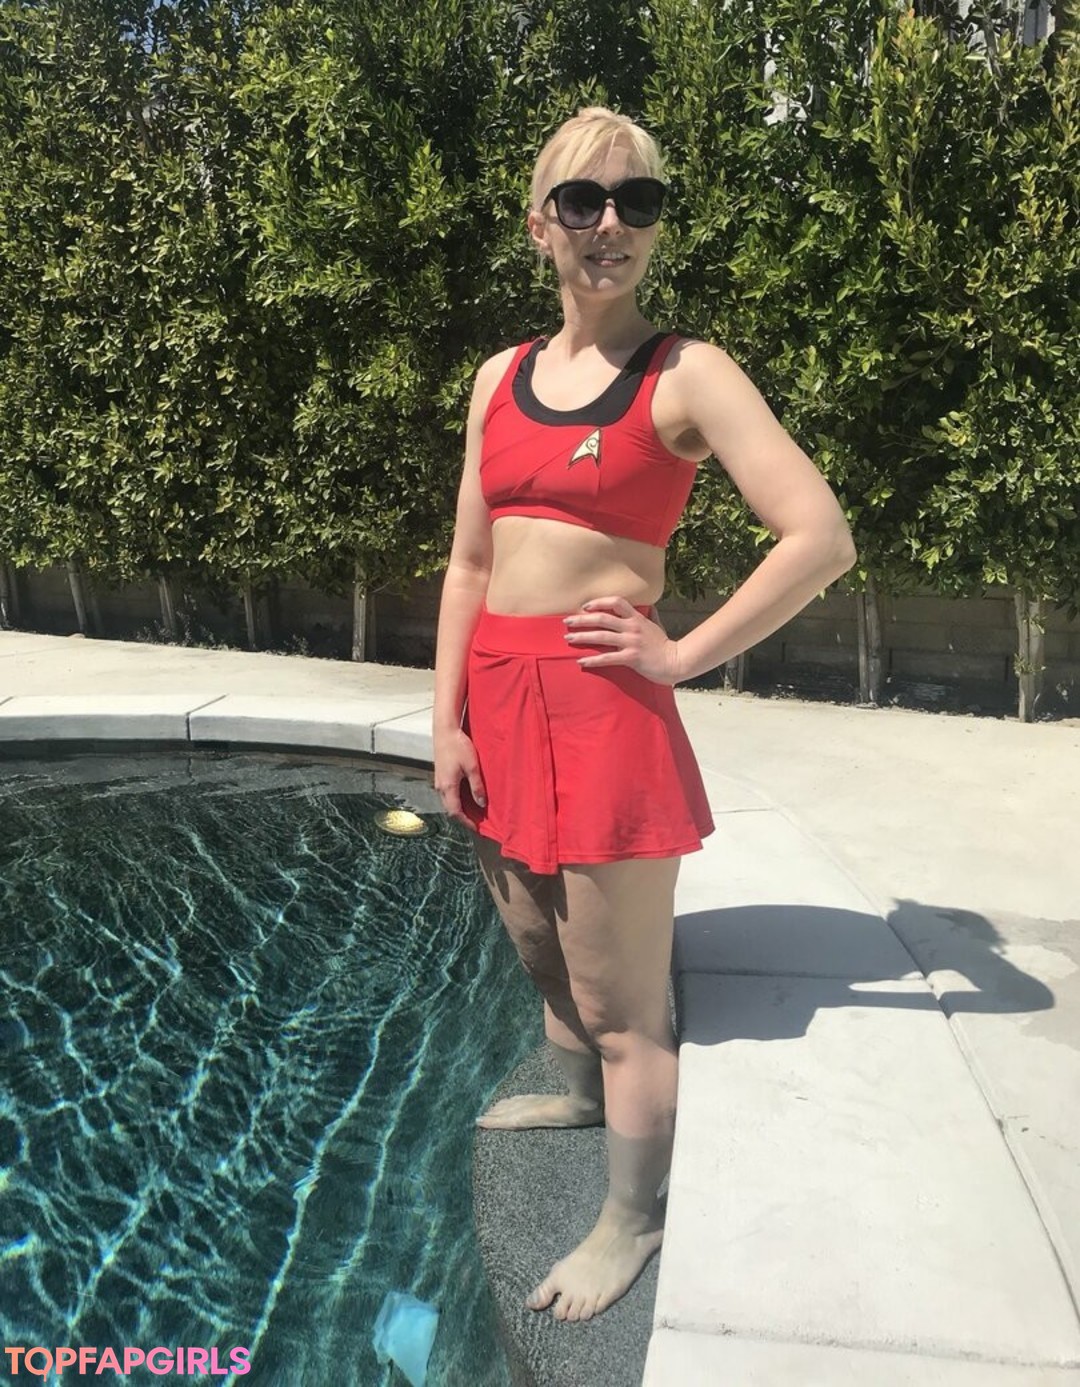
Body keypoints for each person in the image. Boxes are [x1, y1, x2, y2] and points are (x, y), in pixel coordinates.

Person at [432, 106, 856, 1324]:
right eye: (584, 200)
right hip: (498, 700)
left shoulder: (686, 373)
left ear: (657, 226)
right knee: (537, 944)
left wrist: (680, 655)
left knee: (625, 1006)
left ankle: (631, 1217)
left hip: (603, 709)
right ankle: (575, 1096)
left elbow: (819, 536)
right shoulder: (498, 378)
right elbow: (469, 565)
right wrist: (447, 717)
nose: (610, 223)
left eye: (639, 201)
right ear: (541, 225)